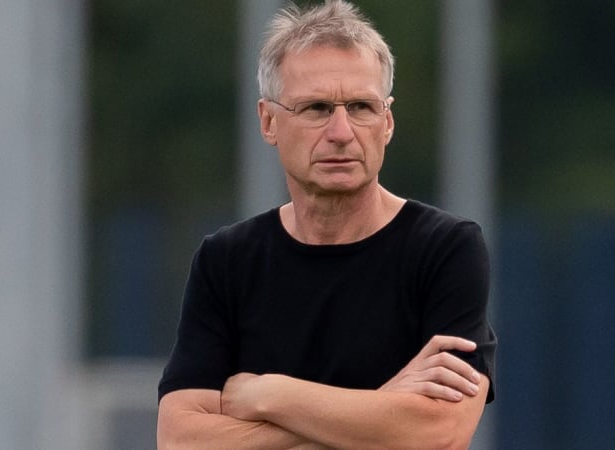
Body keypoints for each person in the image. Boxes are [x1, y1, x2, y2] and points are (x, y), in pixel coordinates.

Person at [156, 0, 496, 448]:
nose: (341, 132)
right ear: (268, 121)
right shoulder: (227, 260)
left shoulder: (445, 248)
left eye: (360, 107)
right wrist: (381, 408)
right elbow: (181, 440)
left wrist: (268, 394)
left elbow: (439, 432)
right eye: (316, 108)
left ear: (387, 122)